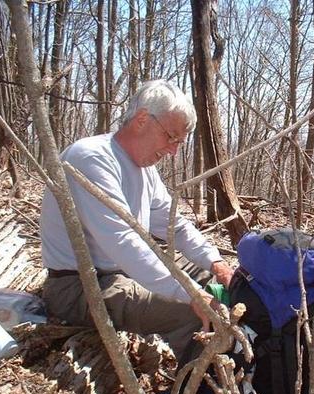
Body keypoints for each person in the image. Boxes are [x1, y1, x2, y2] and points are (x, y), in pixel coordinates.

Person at [40, 80, 233, 361]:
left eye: (179, 142)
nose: (173, 151)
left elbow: (174, 225)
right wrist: (190, 294)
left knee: (221, 283)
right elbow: (123, 241)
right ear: (143, 119)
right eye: (171, 136)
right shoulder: (91, 157)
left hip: (123, 270)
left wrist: (216, 263)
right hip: (80, 285)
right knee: (189, 312)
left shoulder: (145, 169)